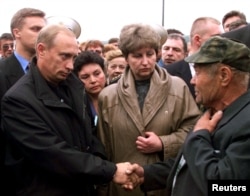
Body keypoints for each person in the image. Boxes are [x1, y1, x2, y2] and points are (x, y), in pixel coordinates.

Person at [1, 24, 136, 195]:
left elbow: (89, 135)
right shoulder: (18, 100)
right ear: (41, 50)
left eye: (73, 57)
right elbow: (53, 154)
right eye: (64, 56)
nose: (71, 66)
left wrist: (102, 166)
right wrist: (111, 171)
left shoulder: (74, 86)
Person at [124, 36, 250, 196]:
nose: (192, 80)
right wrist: (146, 174)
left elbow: (225, 187)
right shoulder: (212, 113)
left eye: (197, 73)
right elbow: (190, 163)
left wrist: (199, 137)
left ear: (224, 76)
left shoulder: (246, 123)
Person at [97, 23, 201, 196]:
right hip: (123, 188)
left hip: (164, 185)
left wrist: (163, 143)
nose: (145, 62)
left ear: (157, 53)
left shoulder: (178, 87)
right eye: (137, 56)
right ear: (126, 57)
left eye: (150, 54)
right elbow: (104, 148)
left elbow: (194, 132)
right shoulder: (108, 96)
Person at [163, 17, 223, 99]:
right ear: (197, 39)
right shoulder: (168, 73)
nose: (222, 42)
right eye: (216, 38)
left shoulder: (222, 69)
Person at [73, 50, 107, 130]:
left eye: (97, 74)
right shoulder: (76, 105)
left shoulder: (118, 97)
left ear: (104, 72)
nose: (93, 80)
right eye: (85, 77)